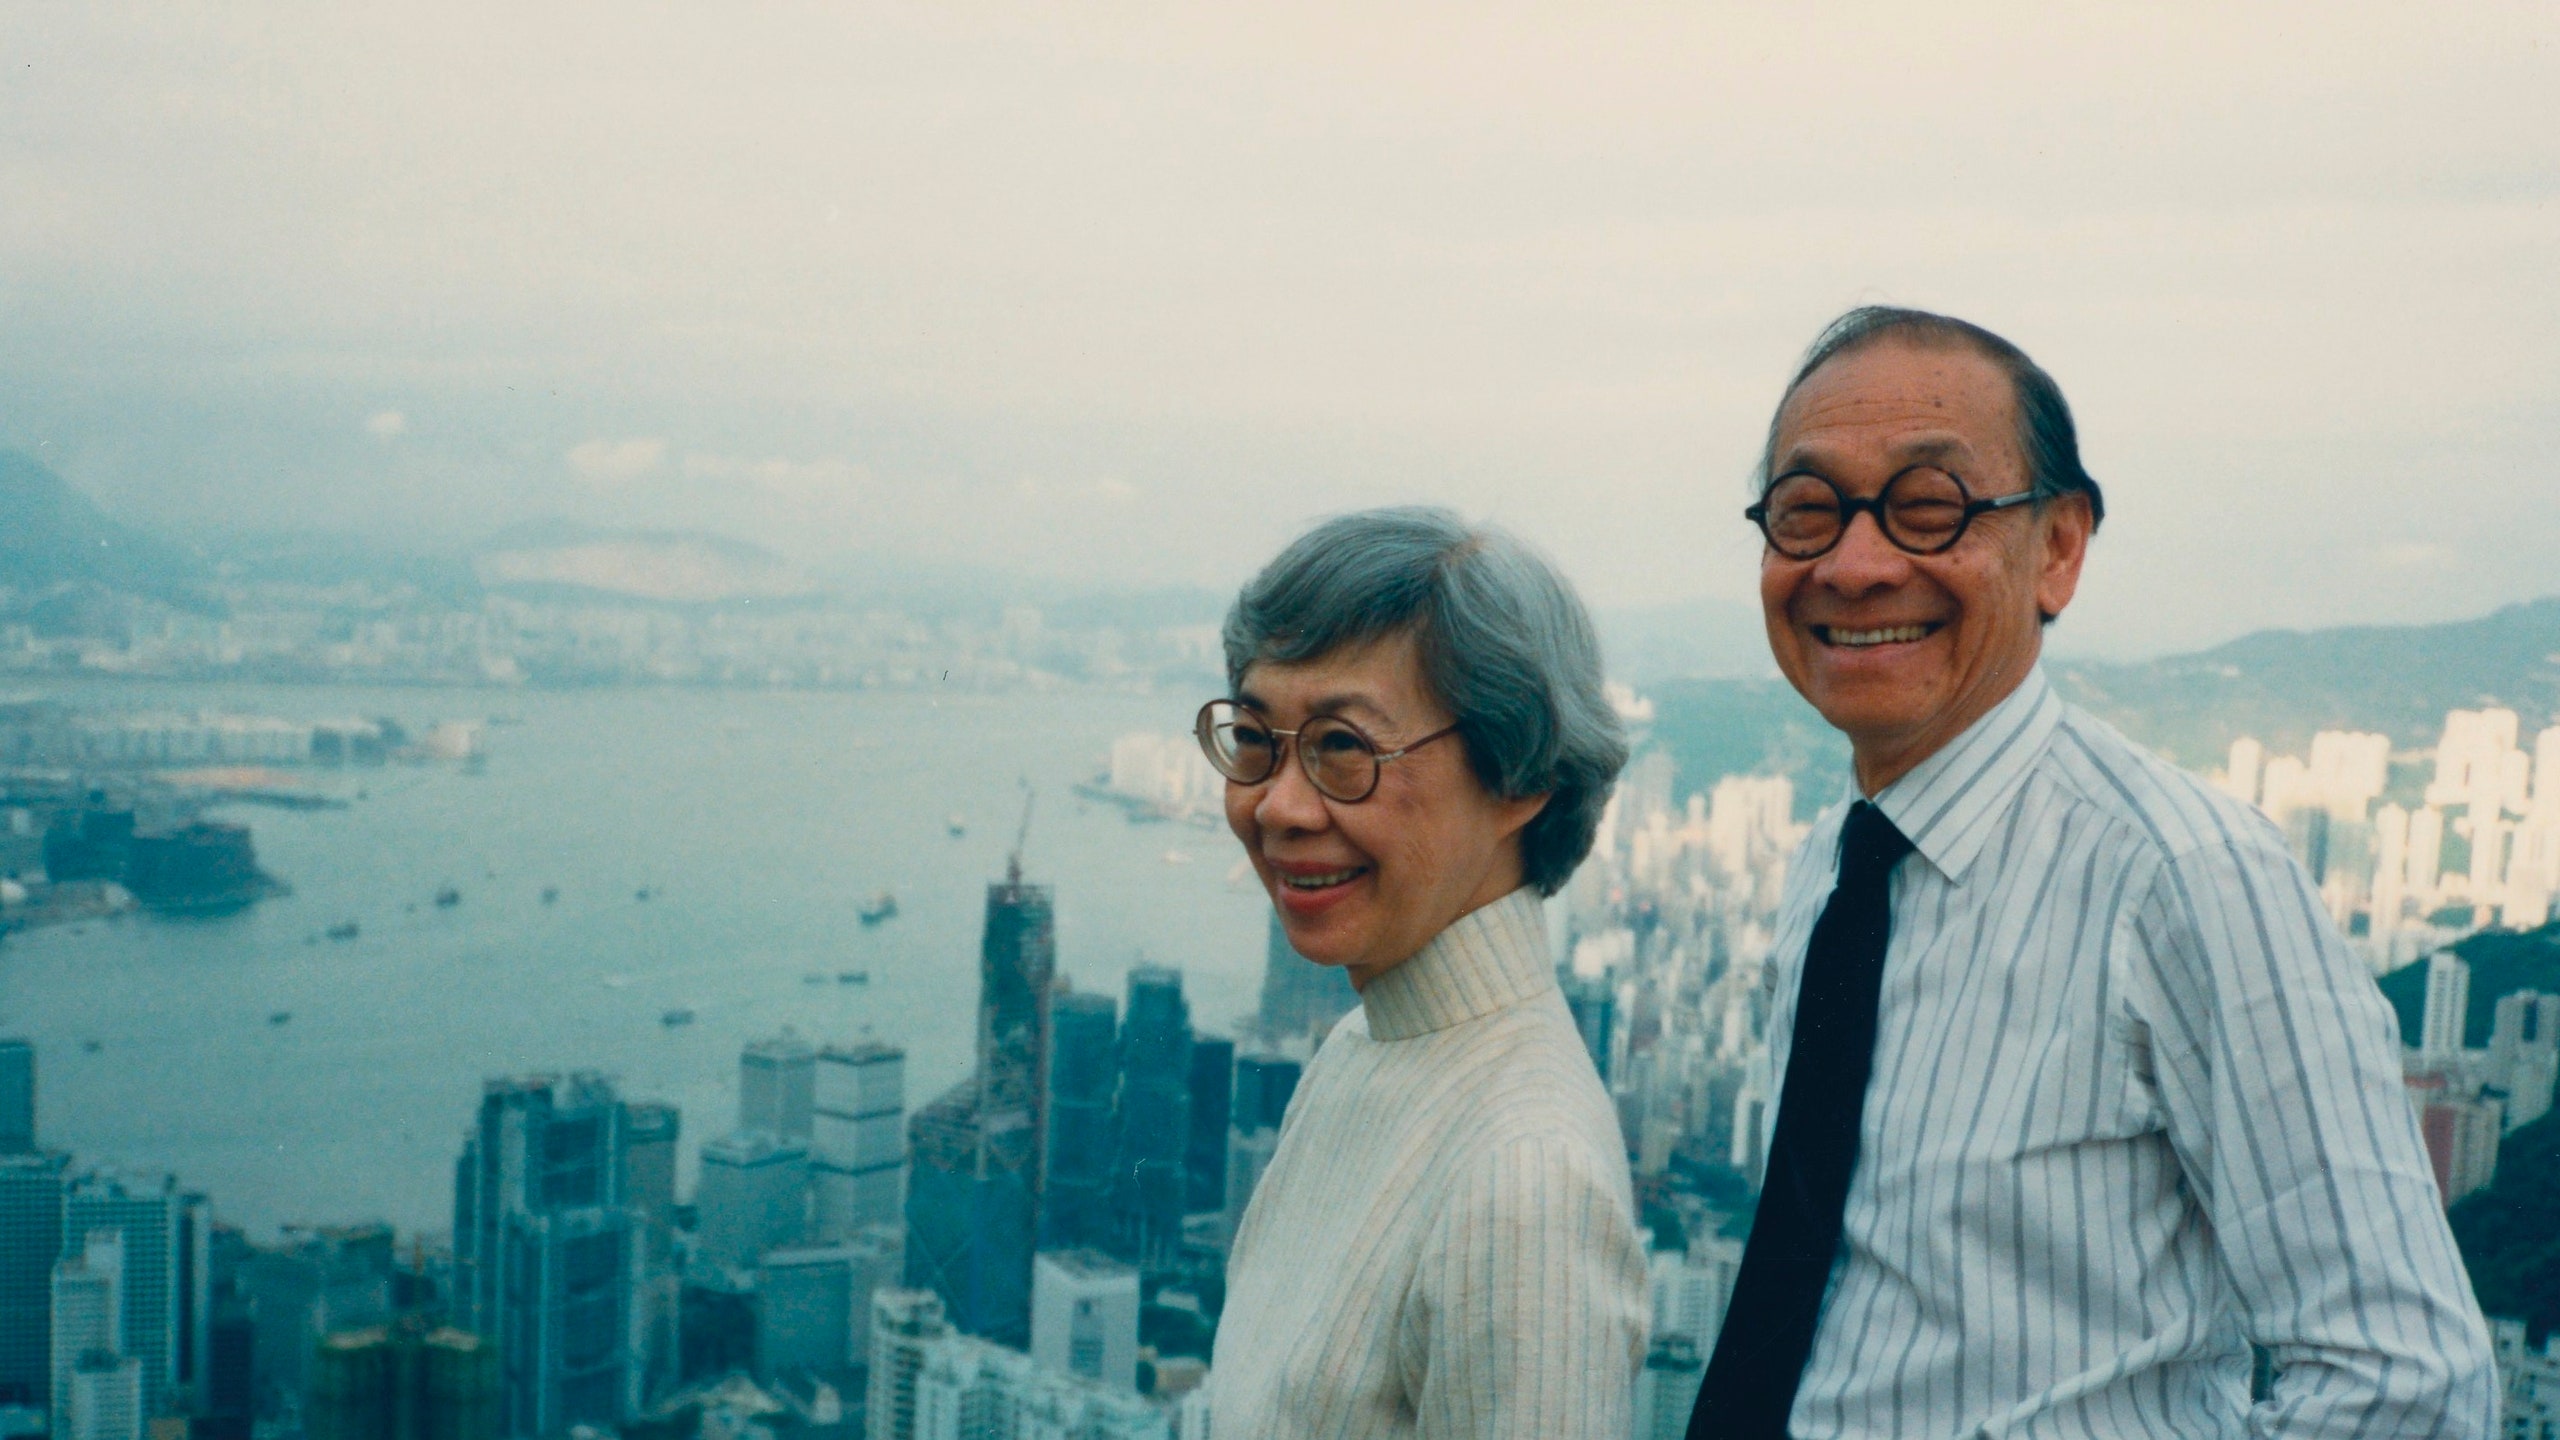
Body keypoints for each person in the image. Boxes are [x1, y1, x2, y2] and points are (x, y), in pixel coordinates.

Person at [1687, 306, 2494, 1439]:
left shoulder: (2183, 877)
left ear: (2057, 548)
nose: (1855, 565)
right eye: (1805, 512)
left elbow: (2406, 1386)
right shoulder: (1831, 868)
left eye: (1928, 508)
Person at [1204, 507, 1648, 1438]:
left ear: (1522, 776)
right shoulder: (1363, 1047)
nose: (1279, 806)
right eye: (1255, 737)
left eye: (1343, 747)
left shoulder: (1525, 1178)